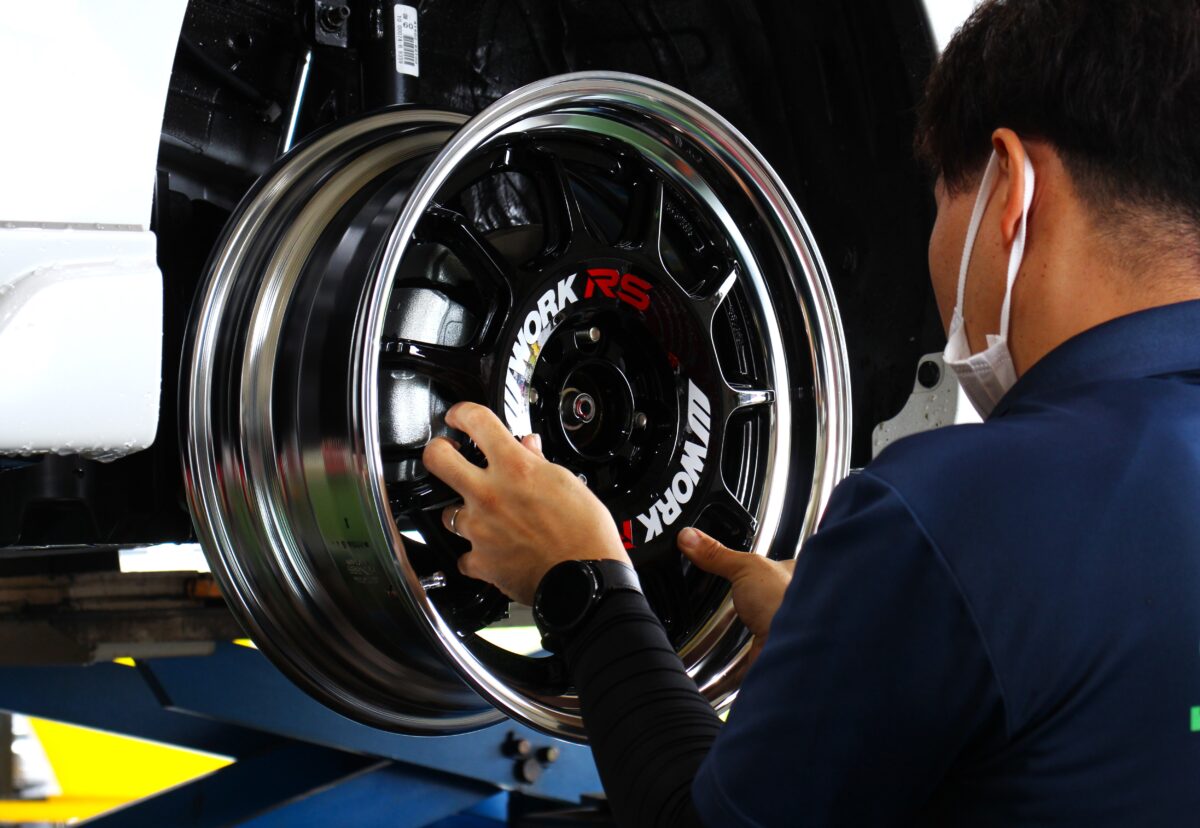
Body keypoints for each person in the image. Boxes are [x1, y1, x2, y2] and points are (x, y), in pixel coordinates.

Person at [419, 1, 1200, 824]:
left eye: (942, 198)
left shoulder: (960, 512)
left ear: (1009, 186)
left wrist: (577, 578)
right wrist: (862, 643)